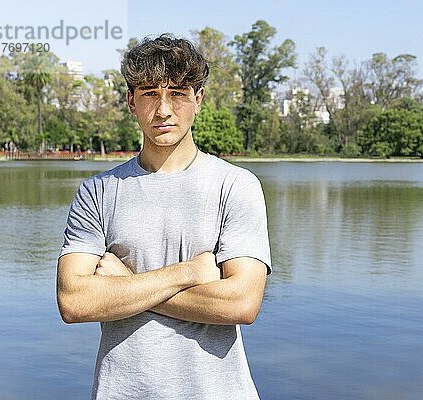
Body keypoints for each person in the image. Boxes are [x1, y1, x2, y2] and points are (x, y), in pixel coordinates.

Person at [56, 34, 272, 400]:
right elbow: (74, 302)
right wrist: (187, 274)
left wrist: (125, 283)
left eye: (177, 93)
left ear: (198, 99)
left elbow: (241, 303)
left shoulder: (236, 186)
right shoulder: (99, 191)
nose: (163, 110)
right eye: (150, 94)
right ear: (130, 102)